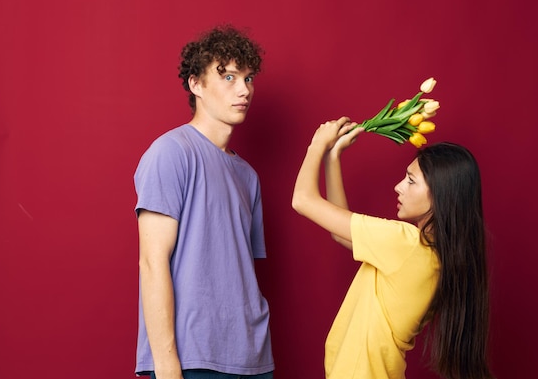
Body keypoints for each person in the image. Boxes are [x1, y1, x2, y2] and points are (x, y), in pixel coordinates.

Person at [292, 117, 493, 379]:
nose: (398, 187)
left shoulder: (406, 243)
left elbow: (302, 200)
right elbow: (340, 232)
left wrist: (317, 143)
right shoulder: (432, 256)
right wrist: (333, 157)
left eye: (411, 181)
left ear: (440, 194)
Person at [134, 25, 274, 379]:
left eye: (248, 78)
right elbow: (152, 262)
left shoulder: (248, 176)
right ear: (196, 84)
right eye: (228, 76)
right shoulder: (171, 152)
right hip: (193, 358)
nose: (244, 90)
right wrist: (166, 366)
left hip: (253, 358)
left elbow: (239, 274)